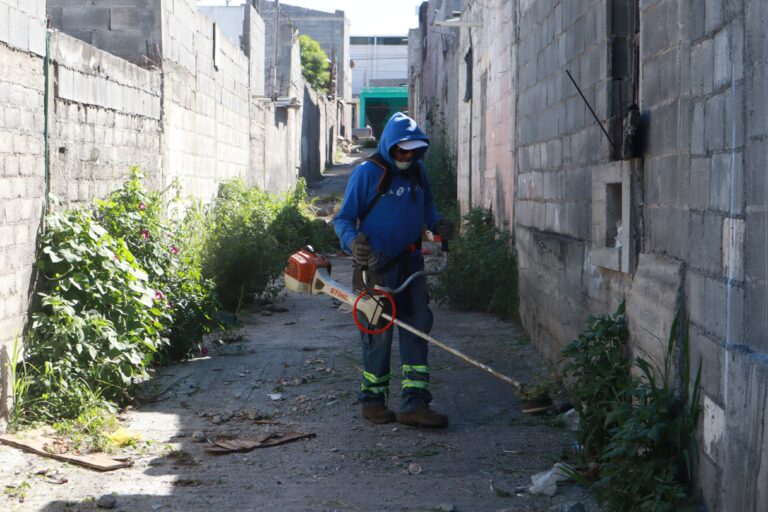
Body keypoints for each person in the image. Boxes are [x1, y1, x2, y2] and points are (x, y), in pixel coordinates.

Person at [333, 112, 454, 428]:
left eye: (414, 151)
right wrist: (351, 243)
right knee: (377, 332)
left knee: (417, 326)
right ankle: (373, 401)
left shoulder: (418, 173)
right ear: (389, 146)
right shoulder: (366, 175)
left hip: (410, 264)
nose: (408, 156)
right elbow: (343, 219)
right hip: (375, 268)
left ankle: (415, 402)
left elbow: (428, 209)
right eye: (402, 150)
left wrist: (438, 224)